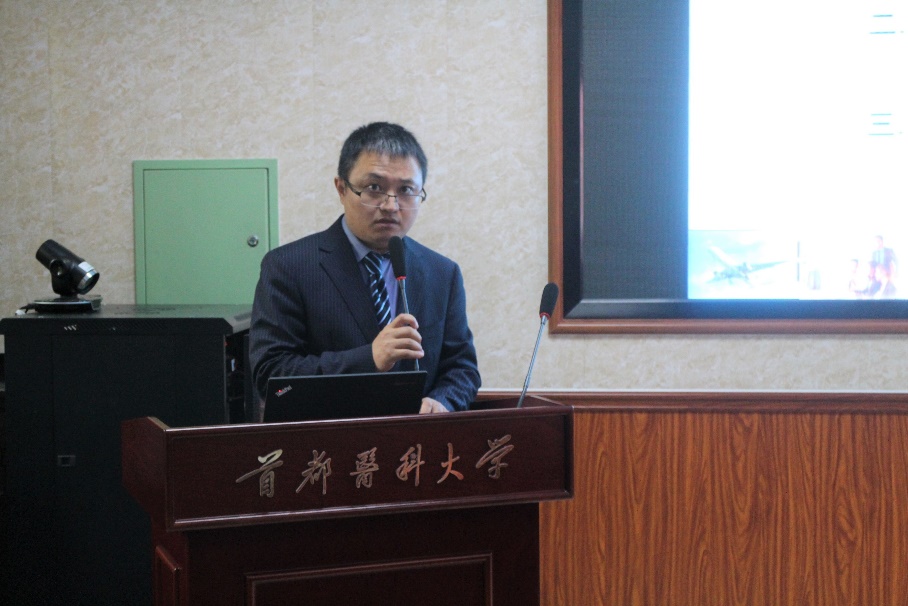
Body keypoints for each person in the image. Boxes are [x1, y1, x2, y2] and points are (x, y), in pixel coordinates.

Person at [249, 122, 480, 417]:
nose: (391, 205)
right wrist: (369, 358)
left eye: (406, 190)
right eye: (374, 188)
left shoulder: (442, 273)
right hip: (328, 438)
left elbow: (461, 368)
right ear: (341, 188)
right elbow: (272, 375)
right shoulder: (289, 267)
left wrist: (442, 402)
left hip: (417, 439)